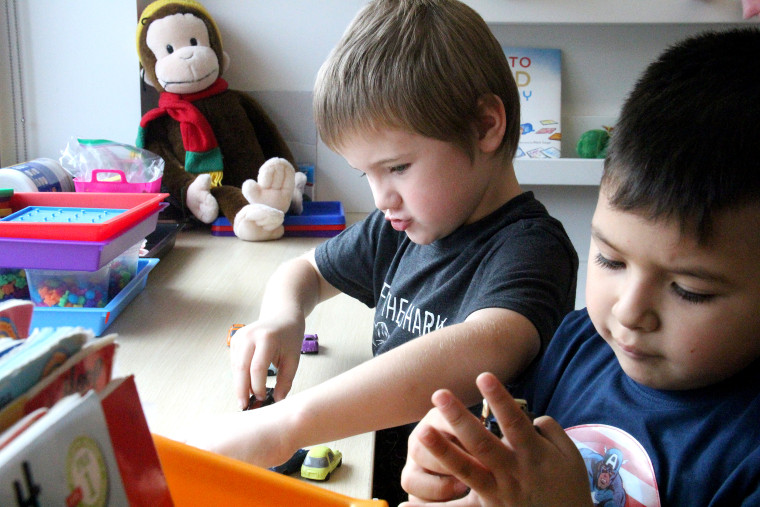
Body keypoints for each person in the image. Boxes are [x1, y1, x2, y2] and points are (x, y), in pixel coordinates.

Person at [182, 0, 577, 504]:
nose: (379, 197)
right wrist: (283, 317)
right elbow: (303, 270)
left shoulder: (533, 248)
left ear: (484, 126)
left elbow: (486, 345)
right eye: (364, 173)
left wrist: (285, 426)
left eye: (397, 167)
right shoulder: (400, 226)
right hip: (384, 478)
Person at [400, 27, 760, 506]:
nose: (629, 312)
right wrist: (456, 465)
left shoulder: (745, 456)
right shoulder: (577, 345)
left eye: (690, 290)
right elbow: (507, 461)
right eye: (611, 259)